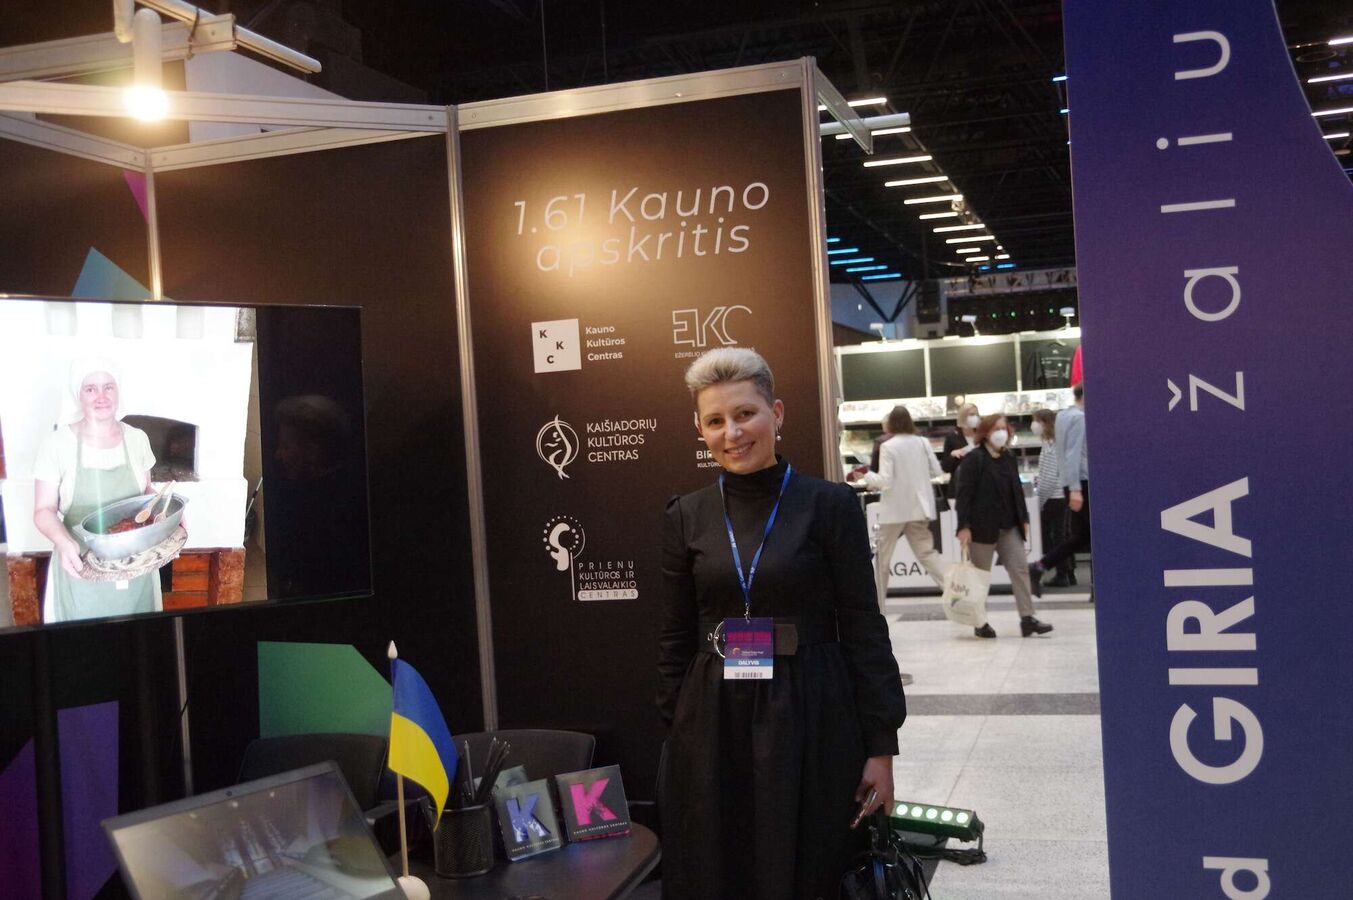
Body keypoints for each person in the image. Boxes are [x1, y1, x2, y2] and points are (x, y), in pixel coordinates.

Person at [657, 347, 905, 900]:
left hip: (813, 713)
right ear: (699, 428)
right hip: (714, 720)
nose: (732, 433)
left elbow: (864, 627)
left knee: (809, 866)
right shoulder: (686, 515)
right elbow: (675, 636)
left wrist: (880, 746)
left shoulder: (830, 505)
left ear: (777, 413)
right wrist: (679, 731)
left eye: (745, 414)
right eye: (715, 420)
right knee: (722, 868)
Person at [32, 359, 162, 623]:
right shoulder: (56, 445)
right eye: (90, 389)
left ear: (118, 391)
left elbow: (147, 491)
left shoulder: (137, 439)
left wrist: (165, 510)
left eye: (108, 387)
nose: (101, 397)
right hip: (80, 565)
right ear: (78, 395)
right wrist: (64, 542)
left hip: (136, 562)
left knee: (138, 641)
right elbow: (43, 510)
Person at [954, 414, 1053, 639]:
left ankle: (1027, 618)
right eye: (996, 428)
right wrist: (963, 526)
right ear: (985, 433)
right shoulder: (974, 459)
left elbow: (1016, 489)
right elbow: (964, 495)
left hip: (1009, 526)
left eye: (1004, 428)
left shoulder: (1009, 457)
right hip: (981, 527)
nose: (1001, 432)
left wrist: (1023, 518)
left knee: (1020, 569)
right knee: (980, 577)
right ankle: (980, 622)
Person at [860, 405, 948, 606]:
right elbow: (937, 471)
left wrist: (867, 475)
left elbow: (885, 481)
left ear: (891, 423)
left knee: (882, 560)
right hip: (919, 508)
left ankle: (877, 607)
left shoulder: (888, 446)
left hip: (893, 510)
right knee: (927, 554)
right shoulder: (923, 442)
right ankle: (957, 594)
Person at [1030, 384, 1089, 591]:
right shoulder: (1079, 418)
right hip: (1081, 483)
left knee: (1081, 535)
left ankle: (1040, 566)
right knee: (1088, 534)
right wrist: (1075, 489)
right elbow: (1073, 454)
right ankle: (1040, 567)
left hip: (1071, 483)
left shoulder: (1064, 416)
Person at [1032, 409, 1075, 587]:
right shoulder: (1056, 442)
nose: (1034, 425)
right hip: (1061, 495)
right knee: (1063, 535)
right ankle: (1069, 572)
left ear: (1045, 423)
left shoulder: (1051, 445)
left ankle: (1062, 574)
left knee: (1055, 538)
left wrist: (1040, 500)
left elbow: (1049, 477)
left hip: (1054, 497)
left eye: (1036, 421)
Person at [940, 400, 981, 497]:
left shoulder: (983, 436)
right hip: (958, 489)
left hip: (981, 488)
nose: (975, 417)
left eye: (976, 414)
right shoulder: (952, 437)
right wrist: (952, 455)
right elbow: (945, 467)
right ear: (963, 417)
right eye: (971, 415)